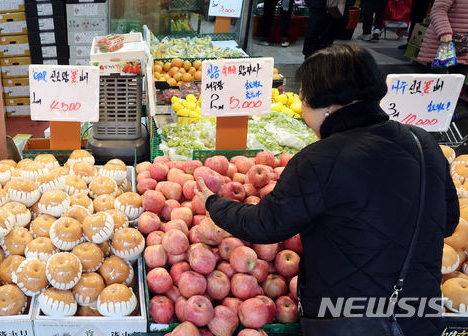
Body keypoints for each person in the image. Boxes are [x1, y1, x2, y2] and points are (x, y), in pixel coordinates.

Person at [195, 44, 458, 336]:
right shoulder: (423, 142)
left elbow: (264, 224)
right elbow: (446, 223)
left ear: (328, 105)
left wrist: (213, 203)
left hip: (347, 316)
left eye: (304, 99)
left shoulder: (319, 159)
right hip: (418, 312)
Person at [417, 0, 468, 71]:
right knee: (438, 80)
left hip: (464, 50)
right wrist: (444, 31)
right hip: (442, 45)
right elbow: (438, 10)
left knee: (459, 80)